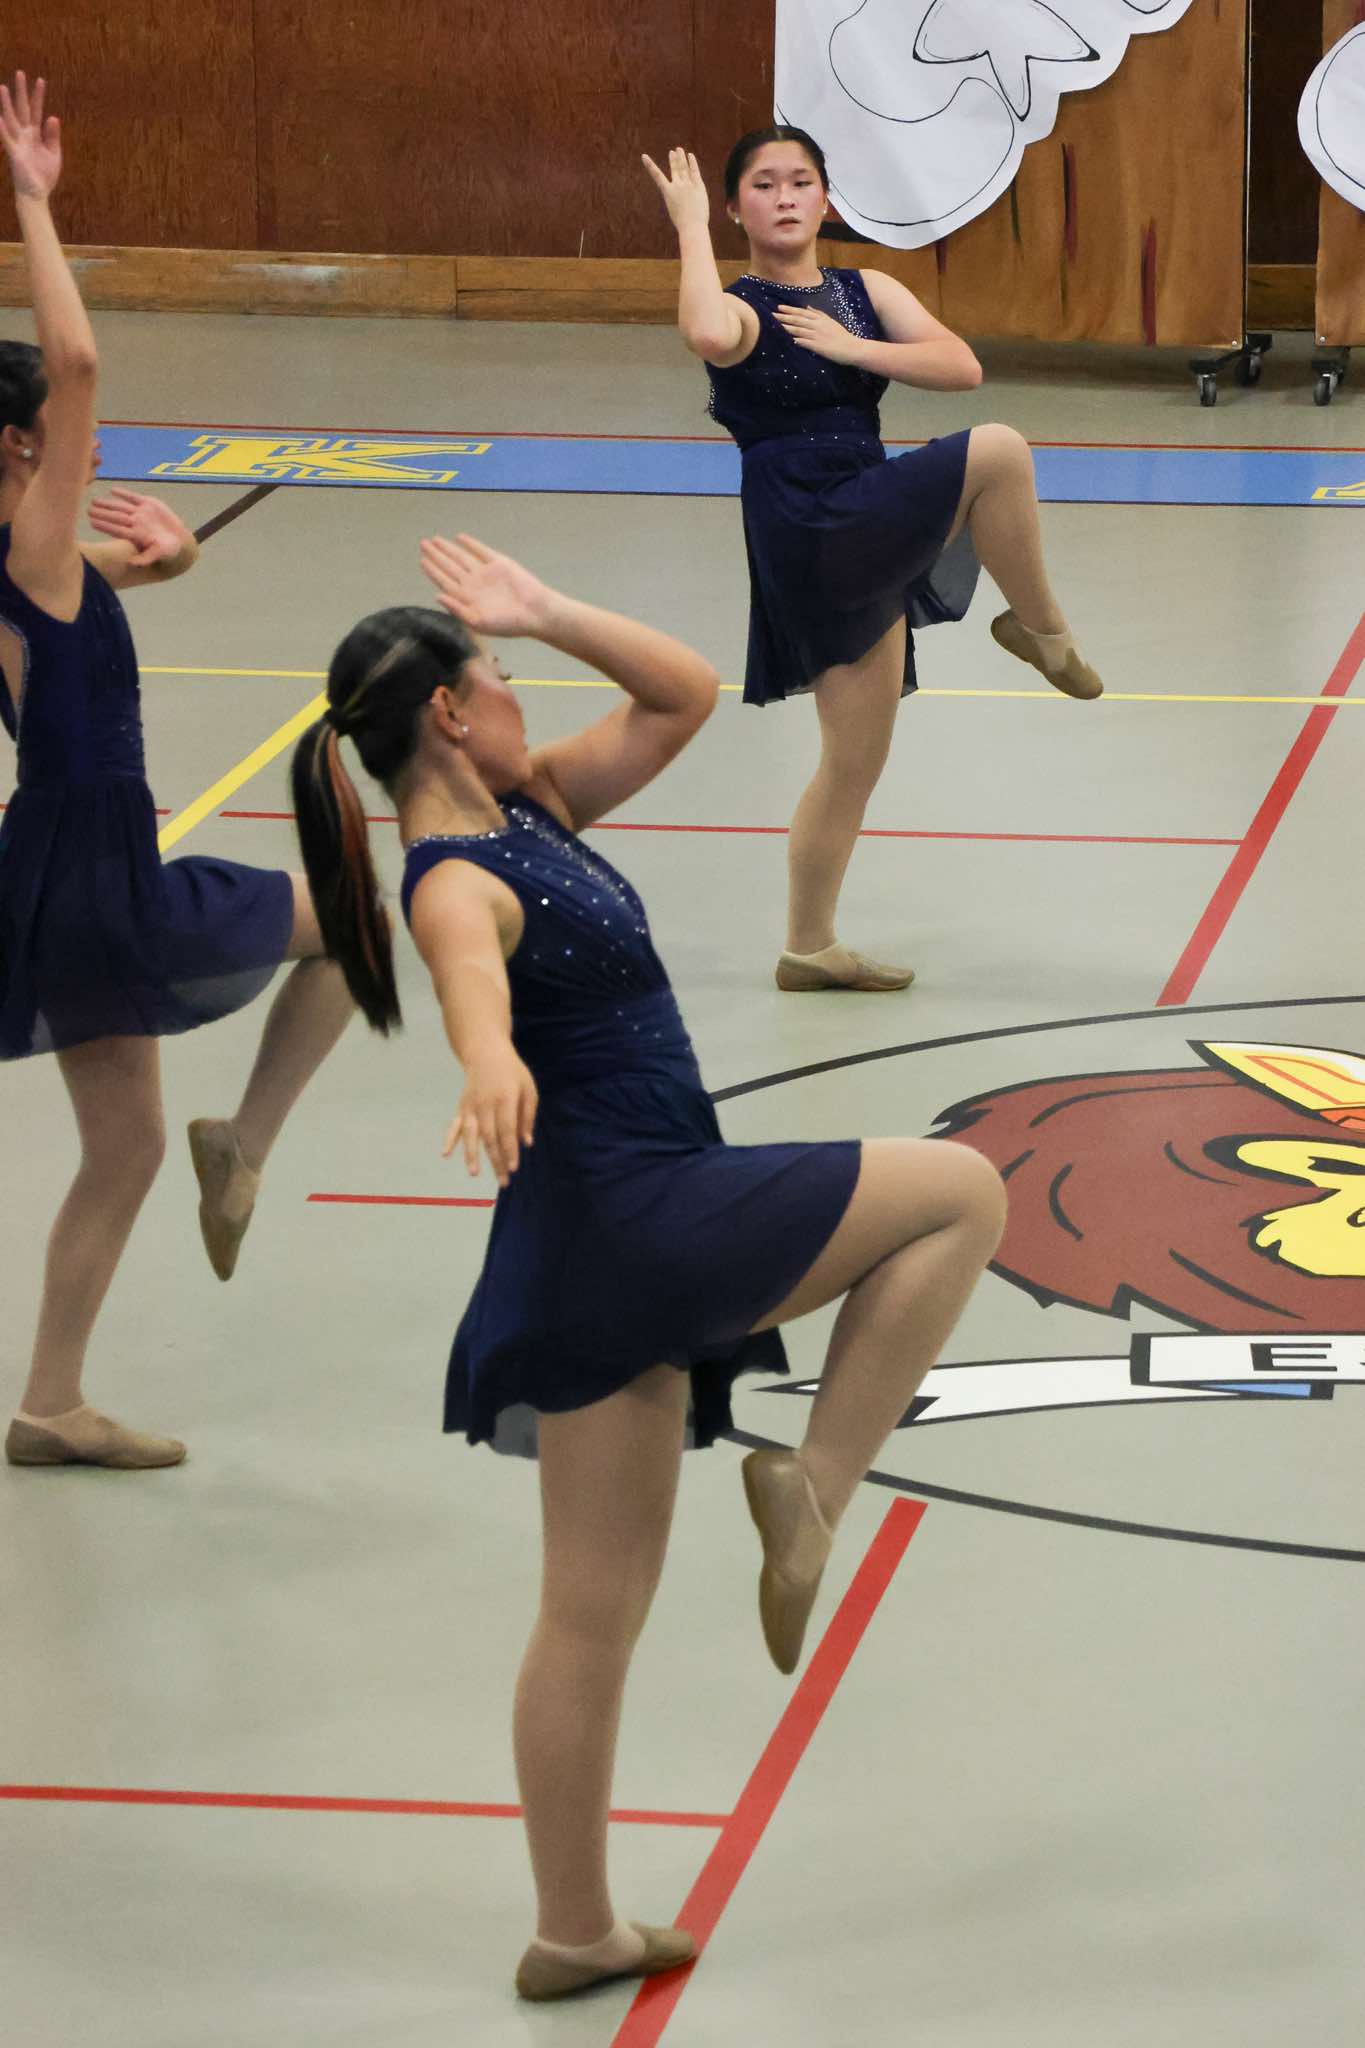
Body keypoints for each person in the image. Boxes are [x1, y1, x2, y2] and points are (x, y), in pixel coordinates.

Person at [291, 527, 1006, 1999]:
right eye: (501, 674)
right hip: (641, 1209)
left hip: (586, 1246)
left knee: (589, 1608)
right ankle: (810, 1488)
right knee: (962, 1192)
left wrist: (543, 607)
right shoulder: (454, 875)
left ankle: (574, 1931)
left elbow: (681, 694)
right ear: (449, 712)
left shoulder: (534, 802)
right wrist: (487, 1058)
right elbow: (467, 968)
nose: (522, 691)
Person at [0, 75, 353, 1471]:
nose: (86, 436)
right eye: (61, 431)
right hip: (97, 874)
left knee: (124, 1150)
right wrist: (33, 199)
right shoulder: (33, 542)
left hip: (60, 870)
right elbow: (79, 363)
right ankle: (248, 1142)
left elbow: (124, 570)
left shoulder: (31, 564)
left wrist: (182, 554)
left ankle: (49, 1403)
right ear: (25, 445)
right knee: (362, 917)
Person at [643, 128, 1103, 993]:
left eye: (800, 181)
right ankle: (1041, 632)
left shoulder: (864, 291)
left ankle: (807, 947)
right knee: (998, 451)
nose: (784, 196)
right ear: (735, 207)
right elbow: (704, 330)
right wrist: (688, 227)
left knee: (854, 762)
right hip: (805, 521)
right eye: (763, 185)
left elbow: (959, 365)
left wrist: (854, 348)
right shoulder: (742, 306)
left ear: (825, 198)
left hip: (862, 507)